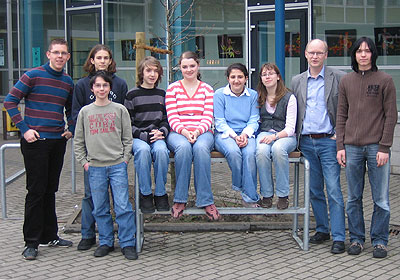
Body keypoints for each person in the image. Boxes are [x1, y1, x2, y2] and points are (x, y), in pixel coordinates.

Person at [4, 38, 74, 260]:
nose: (60, 56)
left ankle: (50, 235)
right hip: (35, 141)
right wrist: (24, 128)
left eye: (63, 53)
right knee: (36, 191)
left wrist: (71, 128)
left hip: (57, 141)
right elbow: (9, 101)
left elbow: (71, 109)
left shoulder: (67, 81)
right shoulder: (32, 75)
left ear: (68, 57)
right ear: (48, 54)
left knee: (50, 190)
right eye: (56, 52)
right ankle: (31, 242)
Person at [336, 37, 397, 258]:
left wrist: (384, 146)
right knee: (353, 197)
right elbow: (341, 114)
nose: (363, 55)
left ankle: (380, 241)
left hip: (376, 148)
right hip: (351, 147)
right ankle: (357, 239)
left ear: (373, 54)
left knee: (380, 197)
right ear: (354, 54)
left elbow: (391, 116)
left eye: (367, 51)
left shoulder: (385, 80)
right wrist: (340, 145)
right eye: (359, 51)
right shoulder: (346, 81)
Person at [74, 71, 137, 260]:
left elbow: (128, 138)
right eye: (98, 86)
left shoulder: (119, 110)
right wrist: (85, 163)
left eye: (105, 85)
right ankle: (106, 242)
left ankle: (127, 243)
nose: (102, 89)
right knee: (100, 207)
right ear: (92, 89)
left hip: (117, 165)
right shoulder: (85, 112)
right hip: (95, 167)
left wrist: (125, 158)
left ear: (110, 88)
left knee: (123, 205)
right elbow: (78, 141)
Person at [291, 39, 346, 254]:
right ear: (305, 54)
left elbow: (346, 109)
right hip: (306, 142)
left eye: (319, 53)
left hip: (328, 142)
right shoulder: (297, 81)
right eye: (311, 52)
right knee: (314, 190)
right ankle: (323, 229)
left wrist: (340, 136)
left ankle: (339, 236)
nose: (315, 56)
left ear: (326, 55)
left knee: (333, 190)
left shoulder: (339, 78)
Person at [165, 51, 220, 220]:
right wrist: (184, 132)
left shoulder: (207, 89)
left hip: (202, 132)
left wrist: (196, 132)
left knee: (201, 148)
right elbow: (172, 116)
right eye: (185, 67)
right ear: (180, 68)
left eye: (192, 66)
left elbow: (208, 116)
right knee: (183, 148)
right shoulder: (172, 89)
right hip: (178, 132)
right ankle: (180, 199)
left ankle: (205, 199)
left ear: (198, 66)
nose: (189, 70)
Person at [124, 56, 170, 213]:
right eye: (148, 70)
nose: (152, 74)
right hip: (138, 137)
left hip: (157, 135)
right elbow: (127, 124)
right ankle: (145, 194)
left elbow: (166, 119)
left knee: (162, 151)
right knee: (143, 151)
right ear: (141, 73)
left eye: (156, 71)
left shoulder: (162, 94)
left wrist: (162, 131)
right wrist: (142, 135)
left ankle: (160, 193)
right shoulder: (132, 95)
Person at [214, 63, 260, 207]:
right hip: (225, 134)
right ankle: (244, 190)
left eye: (240, 77)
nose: (236, 80)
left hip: (247, 133)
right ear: (228, 78)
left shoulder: (253, 95)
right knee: (234, 152)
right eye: (233, 77)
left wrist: (245, 135)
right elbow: (219, 121)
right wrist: (235, 136)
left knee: (250, 153)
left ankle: (249, 199)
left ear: (246, 78)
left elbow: (254, 119)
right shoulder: (219, 95)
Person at [255, 63, 297, 210]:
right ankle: (266, 195)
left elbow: (291, 128)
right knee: (261, 151)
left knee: (278, 149)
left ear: (278, 77)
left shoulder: (289, 97)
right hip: (266, 132)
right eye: (264, 74)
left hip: (286, 135)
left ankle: (283, 195)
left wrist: (275, 137)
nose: (268, 77)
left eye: (271, 74)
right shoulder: (259, 96)